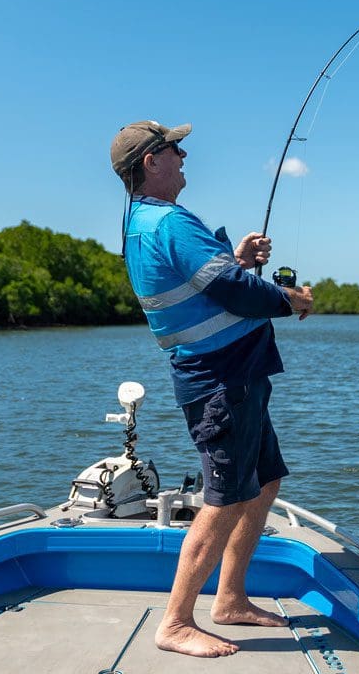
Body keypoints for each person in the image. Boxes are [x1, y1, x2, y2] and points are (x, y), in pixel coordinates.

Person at [109, 120, 314, 658]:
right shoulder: (169, 222)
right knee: (223, 499)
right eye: (175, 148)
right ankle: (175, 623)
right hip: (222, 382)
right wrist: (286, 298)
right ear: (151, 162)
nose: (184, 155)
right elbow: (228, 290)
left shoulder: (143, 223)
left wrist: (241, 263)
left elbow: (209, 282)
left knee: (263, 482)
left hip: (237, 376)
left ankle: (230, 599)